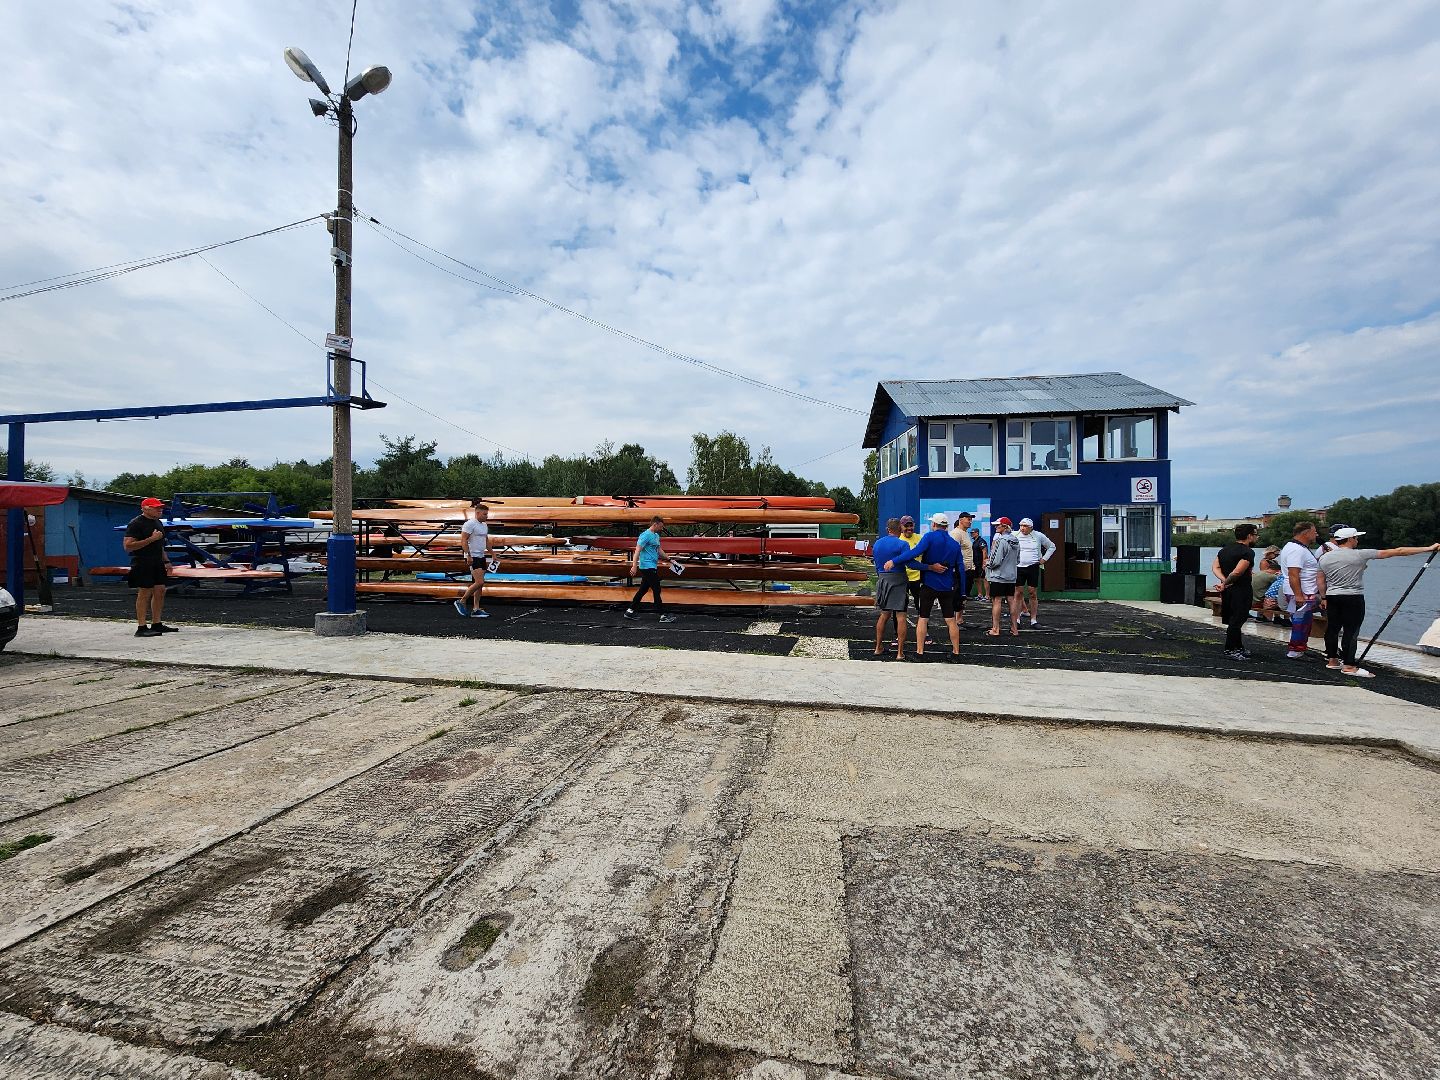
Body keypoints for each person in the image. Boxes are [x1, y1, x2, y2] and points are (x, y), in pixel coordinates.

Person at [1318, 528, 1440, 678]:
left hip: (1332, 596)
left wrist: (1324, 597)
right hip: (1353, 597)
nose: (1357, 540)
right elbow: (1399, 551)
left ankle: (1333, 661)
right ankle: (1349, 666)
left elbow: (1320, 580)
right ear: (1350, 539)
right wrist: (1428, 548)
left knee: (1332, 629)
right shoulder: (1361, 554)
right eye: (1356, 538)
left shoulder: (1324, 558)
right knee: (1351, 631)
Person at [884, 512, 963, 658]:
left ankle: (920, 652)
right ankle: (956, 651)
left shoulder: (928, 537)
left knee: (923, 617)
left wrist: (894, 561)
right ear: (947, 526)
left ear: (934, 524)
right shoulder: (954, 544)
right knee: (951, 620)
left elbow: (915, 553)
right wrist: (962, 591)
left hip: (929, 584)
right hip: (947, 586)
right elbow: (961, 568)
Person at [124, 497, 175, 637]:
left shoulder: (157, 522)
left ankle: (156, 623)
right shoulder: (136, 523)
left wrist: (166, 561)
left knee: (160, 590)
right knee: (145, 592)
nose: (160, 510)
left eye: (161, 507)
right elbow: (128, 546)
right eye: (156, 508)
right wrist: (151, 539)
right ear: (146, 508)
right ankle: (141, 627)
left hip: (157, 561)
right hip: (142, 561)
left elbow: (160, 545)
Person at [1212, 523, 1258, 660]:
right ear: (1249, 536)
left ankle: (1238, 646)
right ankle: (1230, 649)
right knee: (1237, 620)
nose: (1257, 537)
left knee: (1234, 618)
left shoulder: (1224, 550)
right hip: (1241, 589)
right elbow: (1238, 571)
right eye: (1255, 534)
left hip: (1228, 590)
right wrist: (1227, 582)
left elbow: (1215, 567)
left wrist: (1224, 582)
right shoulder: (1248, 552)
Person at [1278, 520, 1324, 658]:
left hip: (1304, 591)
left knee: (1304, 621)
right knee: (1300, 621)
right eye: (1314, 531)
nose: (1316, 534)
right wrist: (1298, 595)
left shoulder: (1299, 548)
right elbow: (1293, 573)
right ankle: (1295, 649)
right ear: (1306, 533)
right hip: (1301, 592)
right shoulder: (1295, 550)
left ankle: (1299, 647)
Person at [871, 518, 911, 658]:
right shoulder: (903, 544)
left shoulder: (877, 544)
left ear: (888, 529)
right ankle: (900, 653)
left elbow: (876, 564)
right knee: (901, 616)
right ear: (900, 529)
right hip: (899, 579)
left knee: (884, 615)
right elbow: (909, 563)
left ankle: (878, 647)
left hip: (883, 578)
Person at [625, 516, 676, 623]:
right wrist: (634, 565)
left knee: (642, 590)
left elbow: (659, 550)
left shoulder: (656, 536)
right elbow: (637, 551)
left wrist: (669, 559)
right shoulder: (645, 535)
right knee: (657, 589)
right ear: (655, 524)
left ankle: (629, 611)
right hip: (646, 567)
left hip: (652, 566)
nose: (662, 529)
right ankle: (663, 615)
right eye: (661, 526)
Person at [1013, 518, 1057, 626]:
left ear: (1031, 527)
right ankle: (1017, 619)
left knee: (1032, 593)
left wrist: (1044, 559)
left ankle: (1033, 620)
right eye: (1021, 525)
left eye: (1025, 526)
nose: (1022, 528)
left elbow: (1052, 546)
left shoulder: (1038, 535)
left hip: (1033, 567)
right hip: (1018, 567)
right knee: (1018, 593)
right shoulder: (1015, 534)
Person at [985, 517, 1022, 637]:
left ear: (1005, 527)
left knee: (997, 600)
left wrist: (987, 564)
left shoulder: (1001, 541)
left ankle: (995, 629)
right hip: (1011, 576)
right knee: (1011, 601)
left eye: (998, 525)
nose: (995, 527)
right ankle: (1014, 629)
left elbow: (995, 561)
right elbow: (1018, 560)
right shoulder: (1016, 541)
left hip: (998, 576)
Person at [454, 499, 491, 618]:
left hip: (481, 555)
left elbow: (486, 540)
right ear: (478, 513)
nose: (486, 516)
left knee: (479, 584)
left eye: (487, 514)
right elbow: (463, 540)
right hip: (472, 555)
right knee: (479, 582)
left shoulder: (484, 525)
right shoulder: (470, 524)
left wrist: (492, 553)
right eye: (484, 514)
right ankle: (462, 600)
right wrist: (468, 554)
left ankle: (476, 608)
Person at [950, 511, 974, 624]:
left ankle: (959, 619)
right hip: (959, 571)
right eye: (968, 519)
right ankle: (955, 620)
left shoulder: (966, 533)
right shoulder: (956, 533)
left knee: (964, 595)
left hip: (968, 569)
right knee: (958, 595)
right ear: (961, 520)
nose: (970, 521)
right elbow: (953, 551)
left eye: (971, 519)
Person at [898, 515, 924, 613]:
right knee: (901, 606)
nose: (909, 528)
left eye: (911, 526)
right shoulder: (898, 540)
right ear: (901, 526)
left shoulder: (920, 538)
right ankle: (900, 627)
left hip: (918, 577)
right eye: (906, 526)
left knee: (921, 606)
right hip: (903, 577)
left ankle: (923, 626)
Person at [1250, 546, 1281, 612]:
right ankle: (1263, 616)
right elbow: (1264, 575)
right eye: (1276, 554)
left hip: (1271, 582)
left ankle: (1276, 616)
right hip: (1266, 584)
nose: (1277, 556)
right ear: (1270, 553)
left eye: (1278, 555)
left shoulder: (1274, 562)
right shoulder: (1264, 562)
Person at [969, 528, 988, 599]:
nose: (971, 534)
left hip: (981, 563)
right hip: (975, 564)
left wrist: (984, 562)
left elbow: (984, 551)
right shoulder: (974, 542)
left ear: (977, 533)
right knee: (977, 579)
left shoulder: (981, 541)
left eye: (973, 533)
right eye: (971, 533)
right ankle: (980, 595)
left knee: (984, 579)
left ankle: (987, 595)